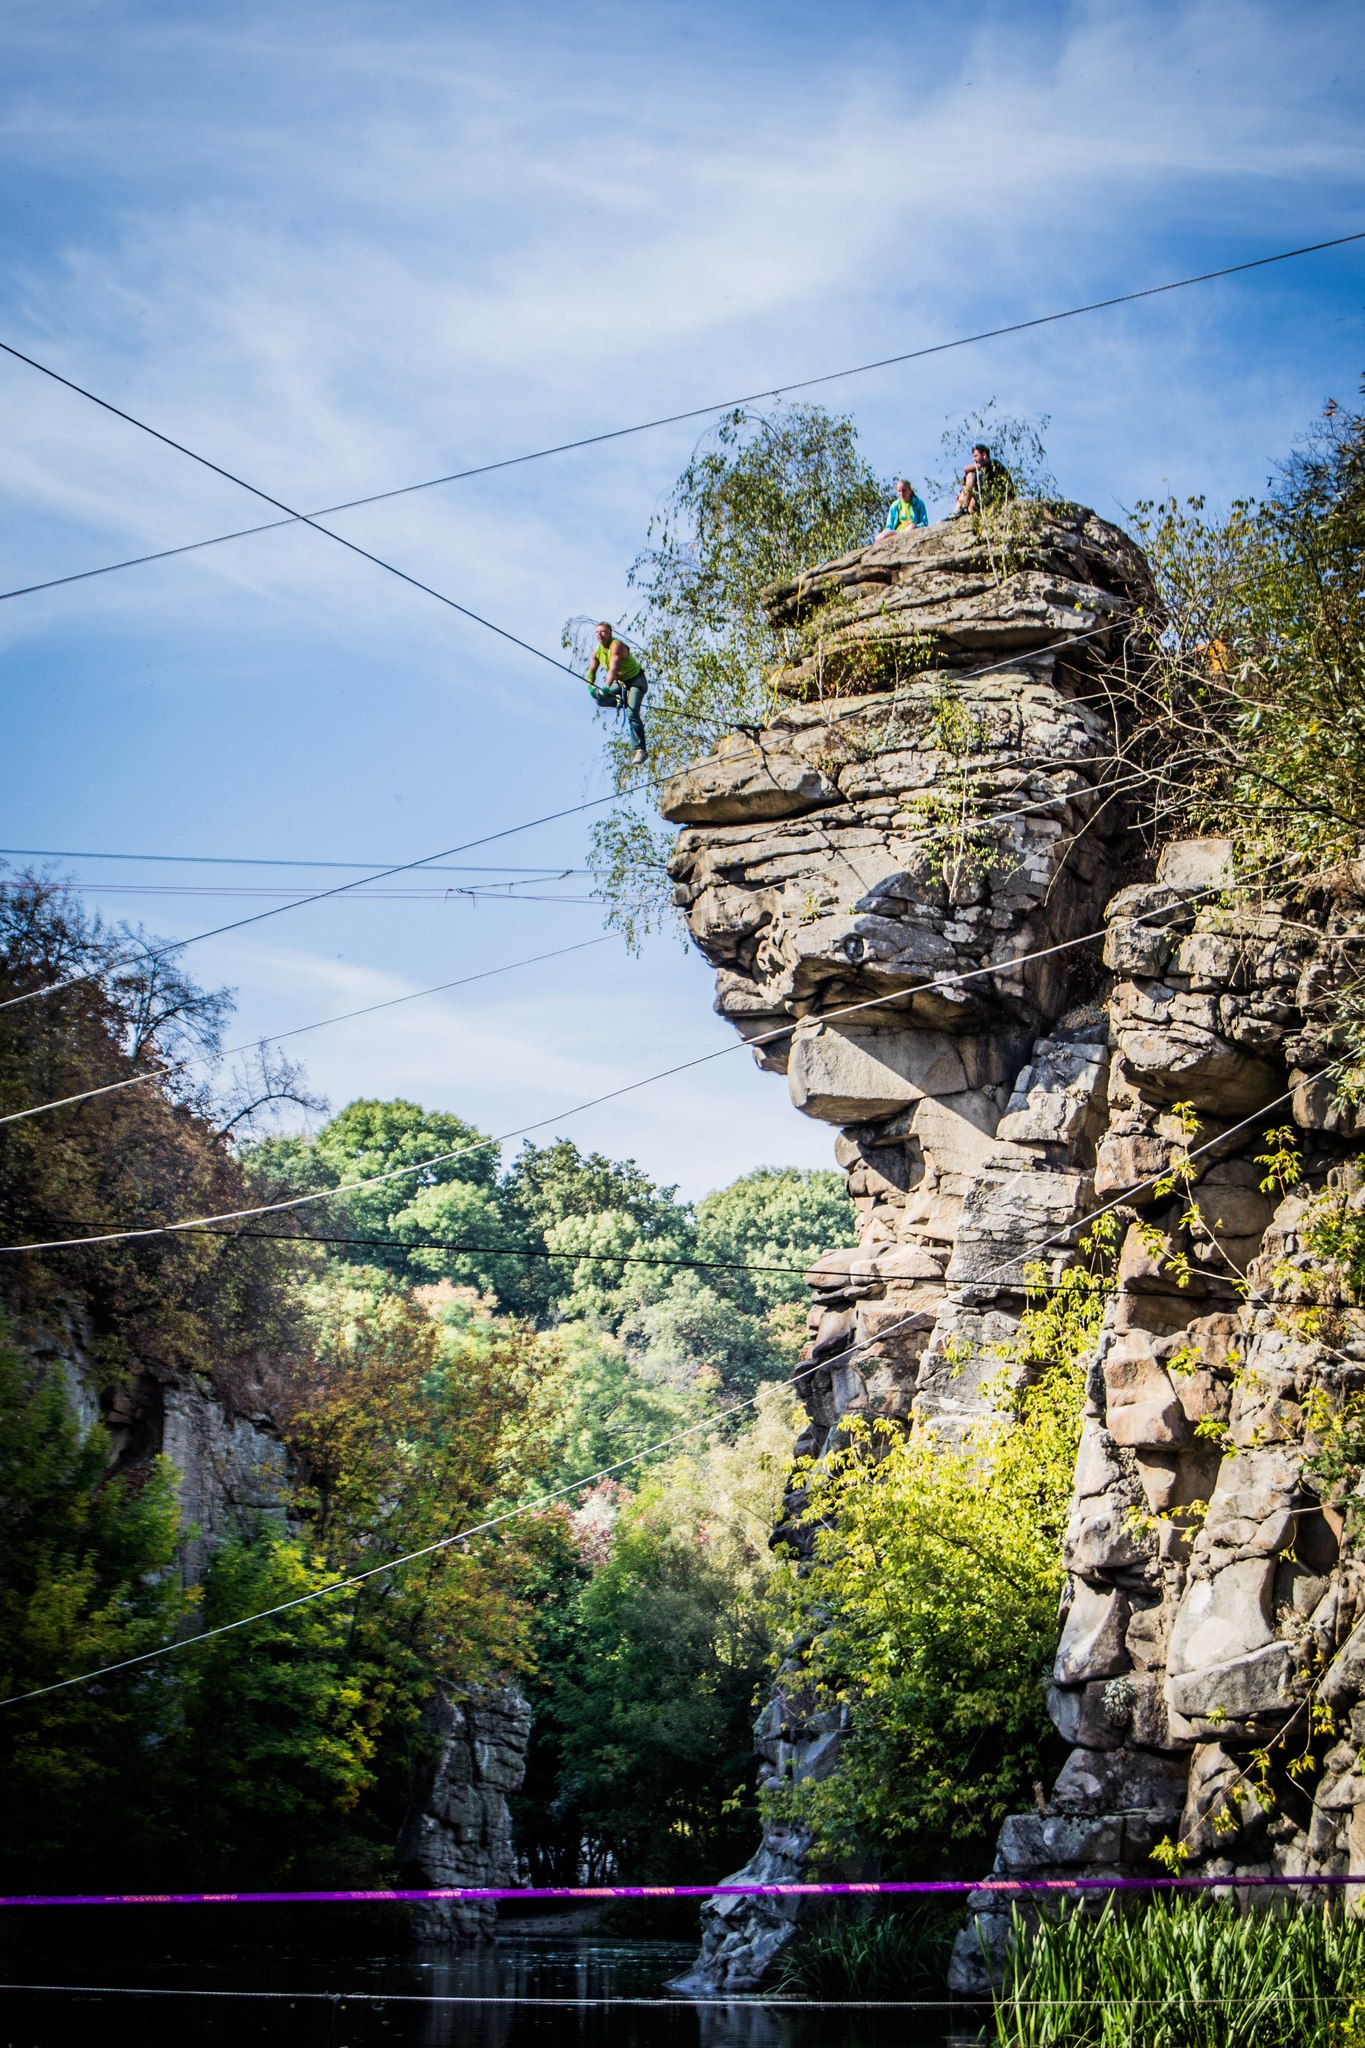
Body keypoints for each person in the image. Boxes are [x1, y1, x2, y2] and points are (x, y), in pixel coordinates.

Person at [585, 622, 648, 762]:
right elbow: (591, 671)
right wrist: (590, 687)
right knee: (599, 699)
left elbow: (613, 668)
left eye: (603, 631)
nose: (600, 634)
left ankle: (640, 750)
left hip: (636, 681)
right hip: (621, 683)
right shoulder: (598, 651)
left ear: (610, 633)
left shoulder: (616, 645)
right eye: (597, 632)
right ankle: (620, 698)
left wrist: (606, 687)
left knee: (632, 712)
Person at [953, 443, 1014, 518]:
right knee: (968, 493)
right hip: (989, 497)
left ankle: (961, 509)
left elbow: (966, 468)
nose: (973, 459)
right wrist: (962, 493)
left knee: (970, 475)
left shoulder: (993, 463)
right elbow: (965, 485)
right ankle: (962, 513)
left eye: (976, 456)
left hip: (1001, 496)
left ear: (984, 455)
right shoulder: (982, 476)